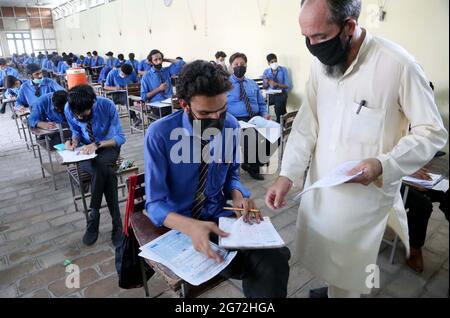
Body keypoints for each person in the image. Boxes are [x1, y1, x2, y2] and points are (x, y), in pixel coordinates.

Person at [265, 0, 448, 298]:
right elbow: (306, 125)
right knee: (323, 255)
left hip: (363, 197)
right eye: (306, 38)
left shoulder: (398, 65)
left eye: (320, 37)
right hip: (322, 186)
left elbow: (432, 131)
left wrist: (382, 164)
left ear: (349, 26)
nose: (313, 46)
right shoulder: (321, 62)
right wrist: (287, 176)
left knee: (352, 272)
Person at [144, 60, 290, 297]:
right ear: (185, 105)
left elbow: (231, 173)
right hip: (180, 224)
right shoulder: (160, 135)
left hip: (217, 217)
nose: (215, 119)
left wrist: (237, 195)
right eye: (205, 113)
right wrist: (191, 227)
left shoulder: (230, 125)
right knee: (261, 267)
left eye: (221, 110)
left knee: (275, 259)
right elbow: (155, 204)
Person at [64, 84, 126, 247]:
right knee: (106, 172)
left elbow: (120, 137)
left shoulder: (107, 106)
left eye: (84, 114)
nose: (80, 118)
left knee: (102, 166)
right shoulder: (69, 108)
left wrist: (97, 144)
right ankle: (117, 223)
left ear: (92, 103)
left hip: (108, 146)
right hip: (85, 149)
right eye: (76, 115)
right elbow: (76, 131)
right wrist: (73, 141)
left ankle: (93, 217)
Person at [227, 52, 271, 181]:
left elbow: (261, 103)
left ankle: (254, 162)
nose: (239, 66)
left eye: (242, 64)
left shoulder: (252, 83)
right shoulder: (224, 85)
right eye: (236, 64)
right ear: (231, 66)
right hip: (236, 119)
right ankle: (253, 167)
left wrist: (265, 113)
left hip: (255, 117)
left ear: (246, 65)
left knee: (275, 132)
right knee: (252, 137)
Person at [262, 53, 293, 123]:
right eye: (272, 62)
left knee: (279, 102)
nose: (274, 63)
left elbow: (288, 85)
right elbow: (265, 87)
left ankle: (279, 122)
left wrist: (277, 85)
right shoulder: (266, 72)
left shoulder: (283, 70)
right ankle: (283, 119)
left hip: (281, 93)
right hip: (270, 95)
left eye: (275, 61)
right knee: (279, 102)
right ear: (268, 63)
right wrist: (266, 82)